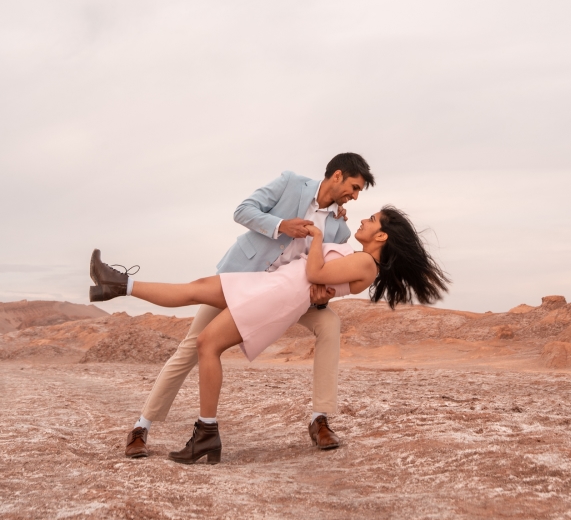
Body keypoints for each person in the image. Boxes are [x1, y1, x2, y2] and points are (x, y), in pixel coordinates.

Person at [89, 205, 448, 465]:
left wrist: (320, 236)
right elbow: (322, 276)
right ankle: (118, 283)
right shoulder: (358, 257)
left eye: (371, 220)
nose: (362, 217)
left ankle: (207, 435)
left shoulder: (366, 263)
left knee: (206, 344)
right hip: (268, 284)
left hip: (276, 297)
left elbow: (316, 273)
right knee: (196, 288)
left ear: (381, 236)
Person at [93, 153, 375, 457]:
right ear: (337, 175)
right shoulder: (291, 183)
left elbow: (326, 273)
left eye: (359, 191)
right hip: (243, 276)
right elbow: (243, 211)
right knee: (192, 347)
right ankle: (141, 427)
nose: (355, 196)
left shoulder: (340, 228)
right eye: (354, 187)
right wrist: (281, 225)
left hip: (288, 296)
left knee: (330, 323)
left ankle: (319, 419)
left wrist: (324, 298)